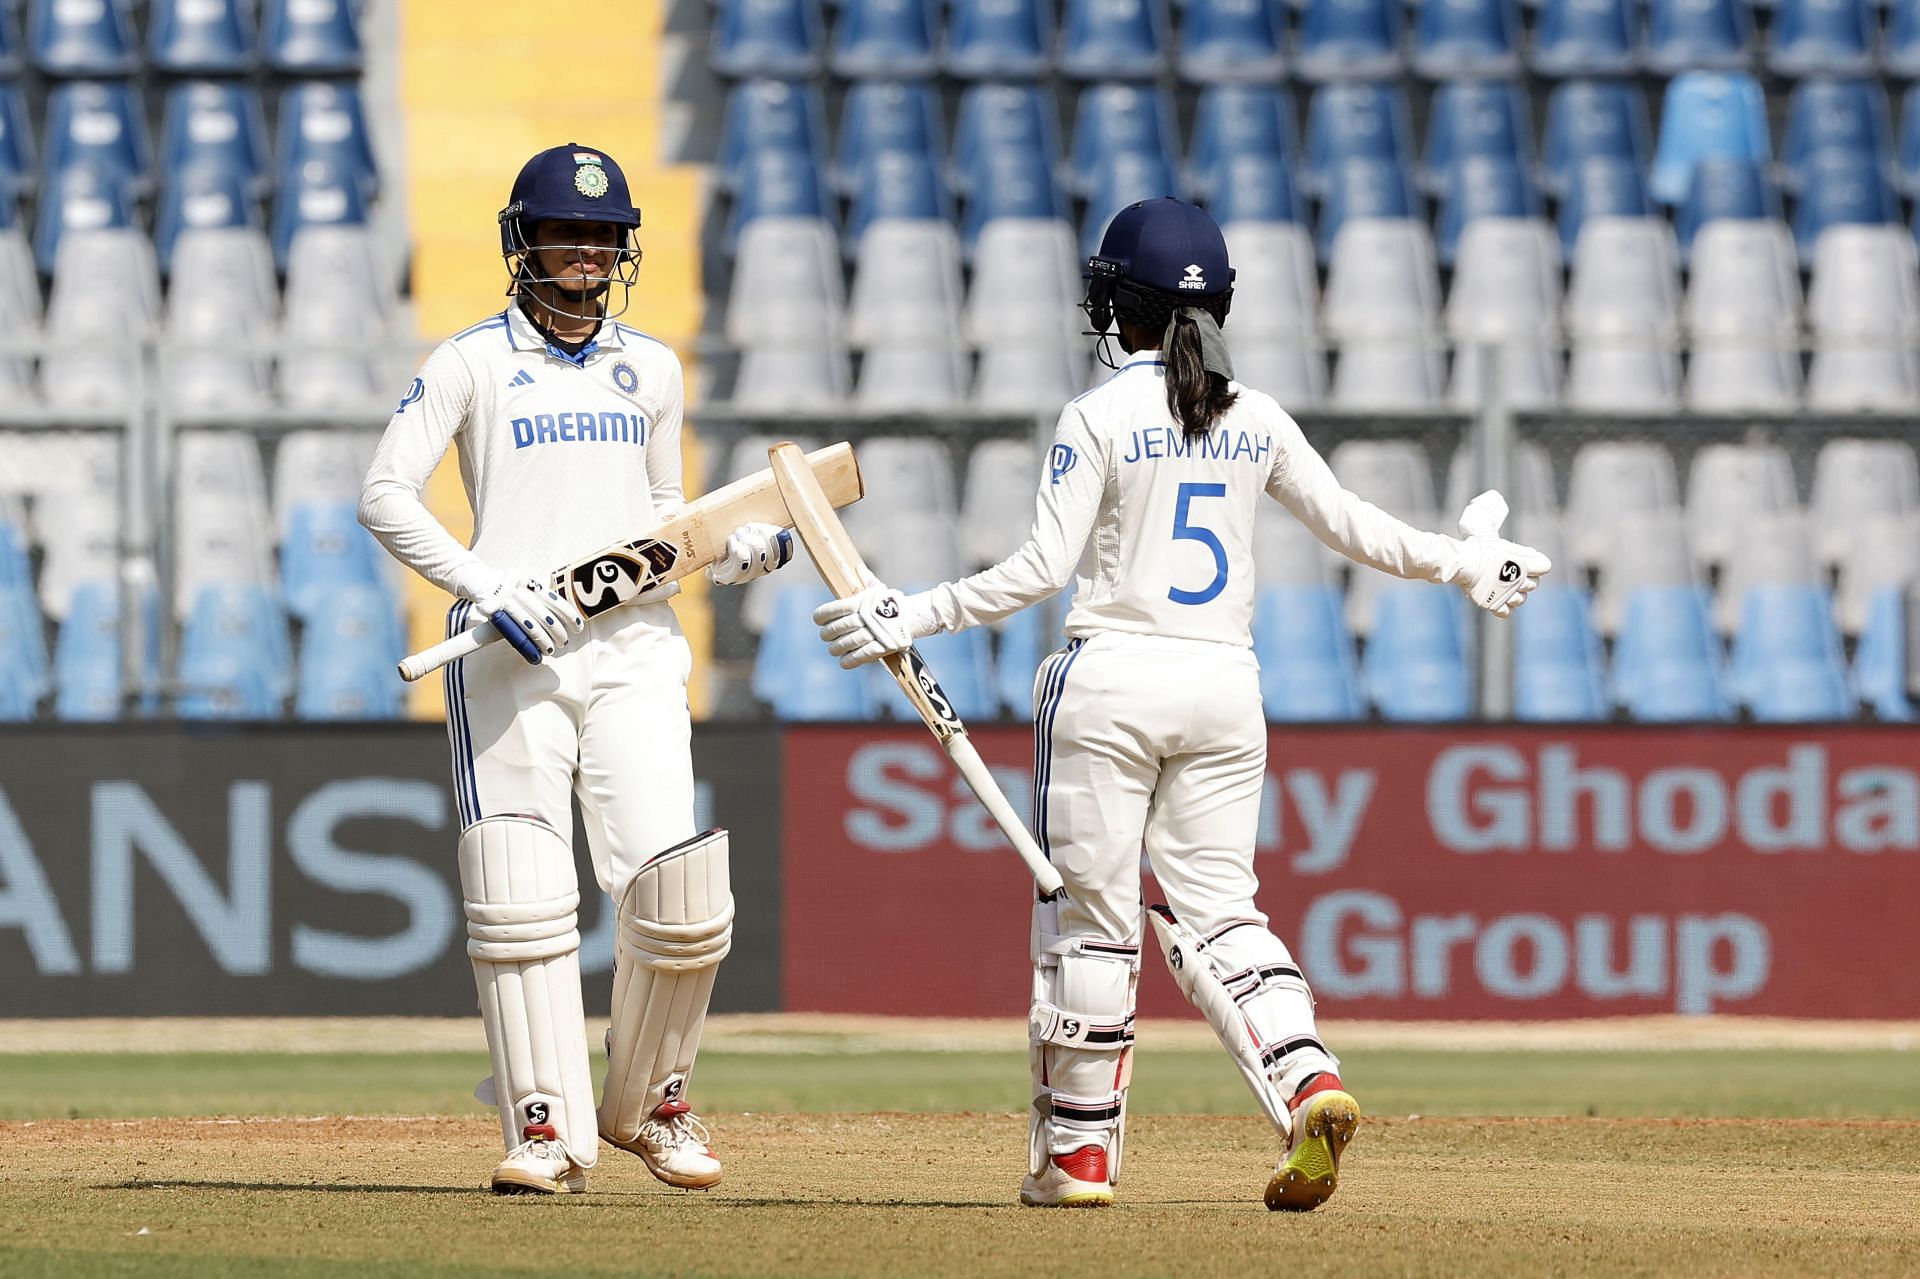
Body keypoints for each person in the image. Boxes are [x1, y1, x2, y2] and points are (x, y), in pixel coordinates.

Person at [812, 197, 1550, 1211]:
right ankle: (1307, 1079)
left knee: (1093, 927)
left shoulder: (1097, 415)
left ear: (1118, 301)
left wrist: (914, 609)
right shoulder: (1256, 415)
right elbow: (1354, 528)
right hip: (1224, 688)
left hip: (1110, 682)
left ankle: (1079, 1159)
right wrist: (1464, 560)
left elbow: (1039, 570)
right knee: (1222, 913)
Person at [359, 143, 792, 1195]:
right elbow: (385, 493)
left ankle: (653, 1101)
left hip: (636, 647)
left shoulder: (655, 366)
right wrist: (487, 584)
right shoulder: (469, 361)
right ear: (524, 240)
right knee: (521, 892)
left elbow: (657, 515)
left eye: (604, 235)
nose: (588, 252)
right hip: (513, 655)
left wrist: (726, 551)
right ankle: (544, 1127)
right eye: (568, 232)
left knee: (680, 893)